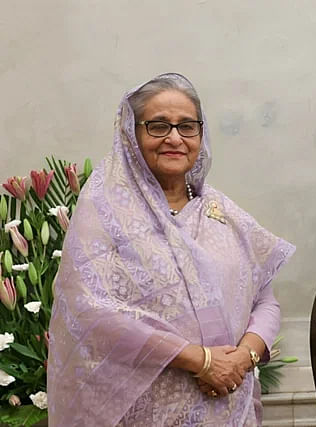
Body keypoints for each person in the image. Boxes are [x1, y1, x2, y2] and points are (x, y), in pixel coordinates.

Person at [47, 73, 294, 426]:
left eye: (186, 126)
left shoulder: (223, 213)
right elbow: (91, 310)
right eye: (158, 126)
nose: (174, 138)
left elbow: (265, 299)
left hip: (225, 404)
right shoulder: (104, 212)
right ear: (131, 135)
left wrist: (242, 358)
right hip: (144, 408)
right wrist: (200, 360)